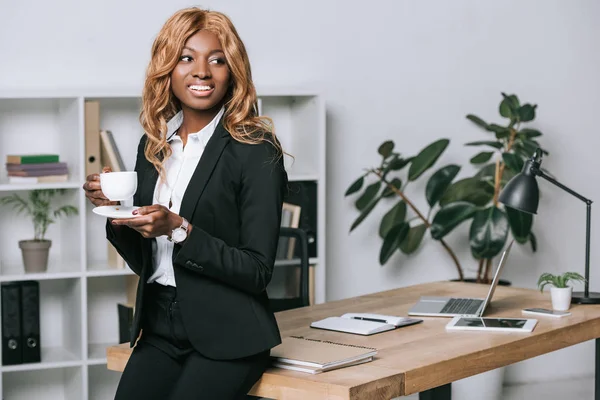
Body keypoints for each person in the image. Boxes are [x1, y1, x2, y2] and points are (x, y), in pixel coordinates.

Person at [83, 7, 287, 399]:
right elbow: (148, 262)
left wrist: (179, 229)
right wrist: (117, 215)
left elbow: (258, 270)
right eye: (186, 57)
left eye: (217, 60)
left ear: (233, 72)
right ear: (167, 68)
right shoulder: (154, 146)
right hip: (159, 326)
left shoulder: (256, 151)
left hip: (228, 335)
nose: (202, 72)